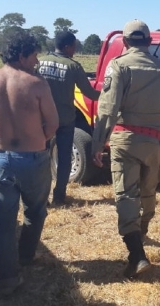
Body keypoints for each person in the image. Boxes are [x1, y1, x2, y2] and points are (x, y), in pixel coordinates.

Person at [0, 31, 59, 295]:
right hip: (33, 158)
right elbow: (53, 123)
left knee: (4, 221)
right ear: (22, 55)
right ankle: (27, 255)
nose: (36, 60)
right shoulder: (36, 83)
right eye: (33, 54)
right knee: (35, 211)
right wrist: (38, 141)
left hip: (0, 160)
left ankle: (7, 278)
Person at [91, 19, 160, 279]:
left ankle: (136, 255)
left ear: (125, 42)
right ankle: (143, 230)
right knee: (148, 191)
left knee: (126, 195)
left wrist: (97, 143)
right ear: (149, 42)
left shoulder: (118, 66)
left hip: (126, 138)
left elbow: (107, 108)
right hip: (154, 141)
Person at [37, 31, 100, 206]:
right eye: (74, 46)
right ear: (67, 47)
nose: (74, 50)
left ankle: (41, 196)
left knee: (41, 157)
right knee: (64, 158)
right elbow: (90, 93)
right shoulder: (73, 66)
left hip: (41, 119)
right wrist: (109, 93)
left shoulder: (39, 62)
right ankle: (59, 196)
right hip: (64, 120)